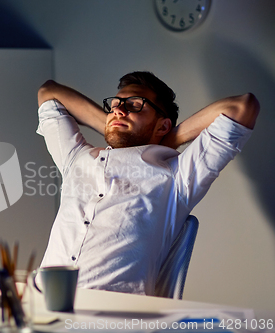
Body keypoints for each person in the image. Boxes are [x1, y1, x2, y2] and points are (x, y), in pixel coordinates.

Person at [36, 71, 259, 295]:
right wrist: (116, 124)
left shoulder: (177, 177)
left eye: (134, 105)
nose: (118, 110)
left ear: (162, 126)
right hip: (43, 303)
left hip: (113, 316)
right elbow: (49, 93)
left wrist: (170, 139)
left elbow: (242, 107)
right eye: (114, 105)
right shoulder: (77, 157)